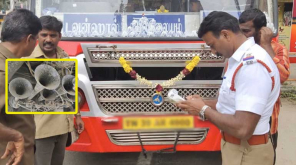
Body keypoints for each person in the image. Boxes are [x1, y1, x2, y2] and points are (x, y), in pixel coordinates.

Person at [176, 11, 280, 165]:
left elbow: (243, 129)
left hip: (248, 152)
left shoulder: (252, 66)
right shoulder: (237, 60)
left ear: (225, 35)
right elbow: (231, 105)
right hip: (238, 149)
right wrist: (202, 103)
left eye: (212, 45)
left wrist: (203, 109)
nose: (213, 51)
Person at [25, 15, 84, 165]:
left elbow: (70, 88)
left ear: (60, 36)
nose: (48, 39)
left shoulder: (64, 56)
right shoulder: (27, 60)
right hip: (42, 129)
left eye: (53, 35)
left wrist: (77, 115)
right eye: (44, 35)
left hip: (63, 127)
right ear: (37, 35)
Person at [239, 8, 290, 149]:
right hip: (241, 115)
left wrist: (266, 45)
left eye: (246, 31)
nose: (242, 35)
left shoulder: (278, 49)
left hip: (267, 118)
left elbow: (283, 76)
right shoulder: (240, 49)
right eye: (240, 30)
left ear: (261, 31)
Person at [0, 9, 42, 165]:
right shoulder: (5, 71)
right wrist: (15, 136)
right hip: (10, 156)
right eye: (37, 39)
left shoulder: (13, 65)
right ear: (29, 39)